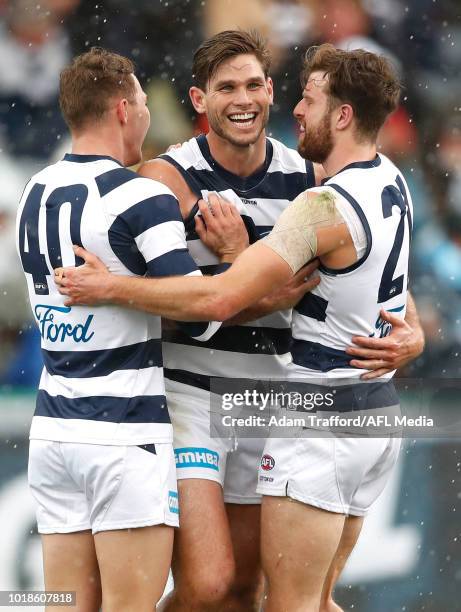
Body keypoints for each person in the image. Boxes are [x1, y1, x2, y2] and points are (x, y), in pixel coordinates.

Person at [56, 37, 423, 612]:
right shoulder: (164, 180)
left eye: (255, 85)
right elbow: (166, 304)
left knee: (247, 592)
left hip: (274, 401)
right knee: (207, 585)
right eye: (227, 87)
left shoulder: (312, 180)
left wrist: (412, 330)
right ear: (200, 99)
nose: (244, 99)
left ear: (272, 91)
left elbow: (372, 265)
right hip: (191, 398)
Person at [16, 47, 236, 612]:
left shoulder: (32, 191)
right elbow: (202, 316)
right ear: (121, 108)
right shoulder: (141, 195)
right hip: (123, 434)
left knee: (63, 607)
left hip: (54, 431)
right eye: (141, 101)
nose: (144, 114)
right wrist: (230, 264)